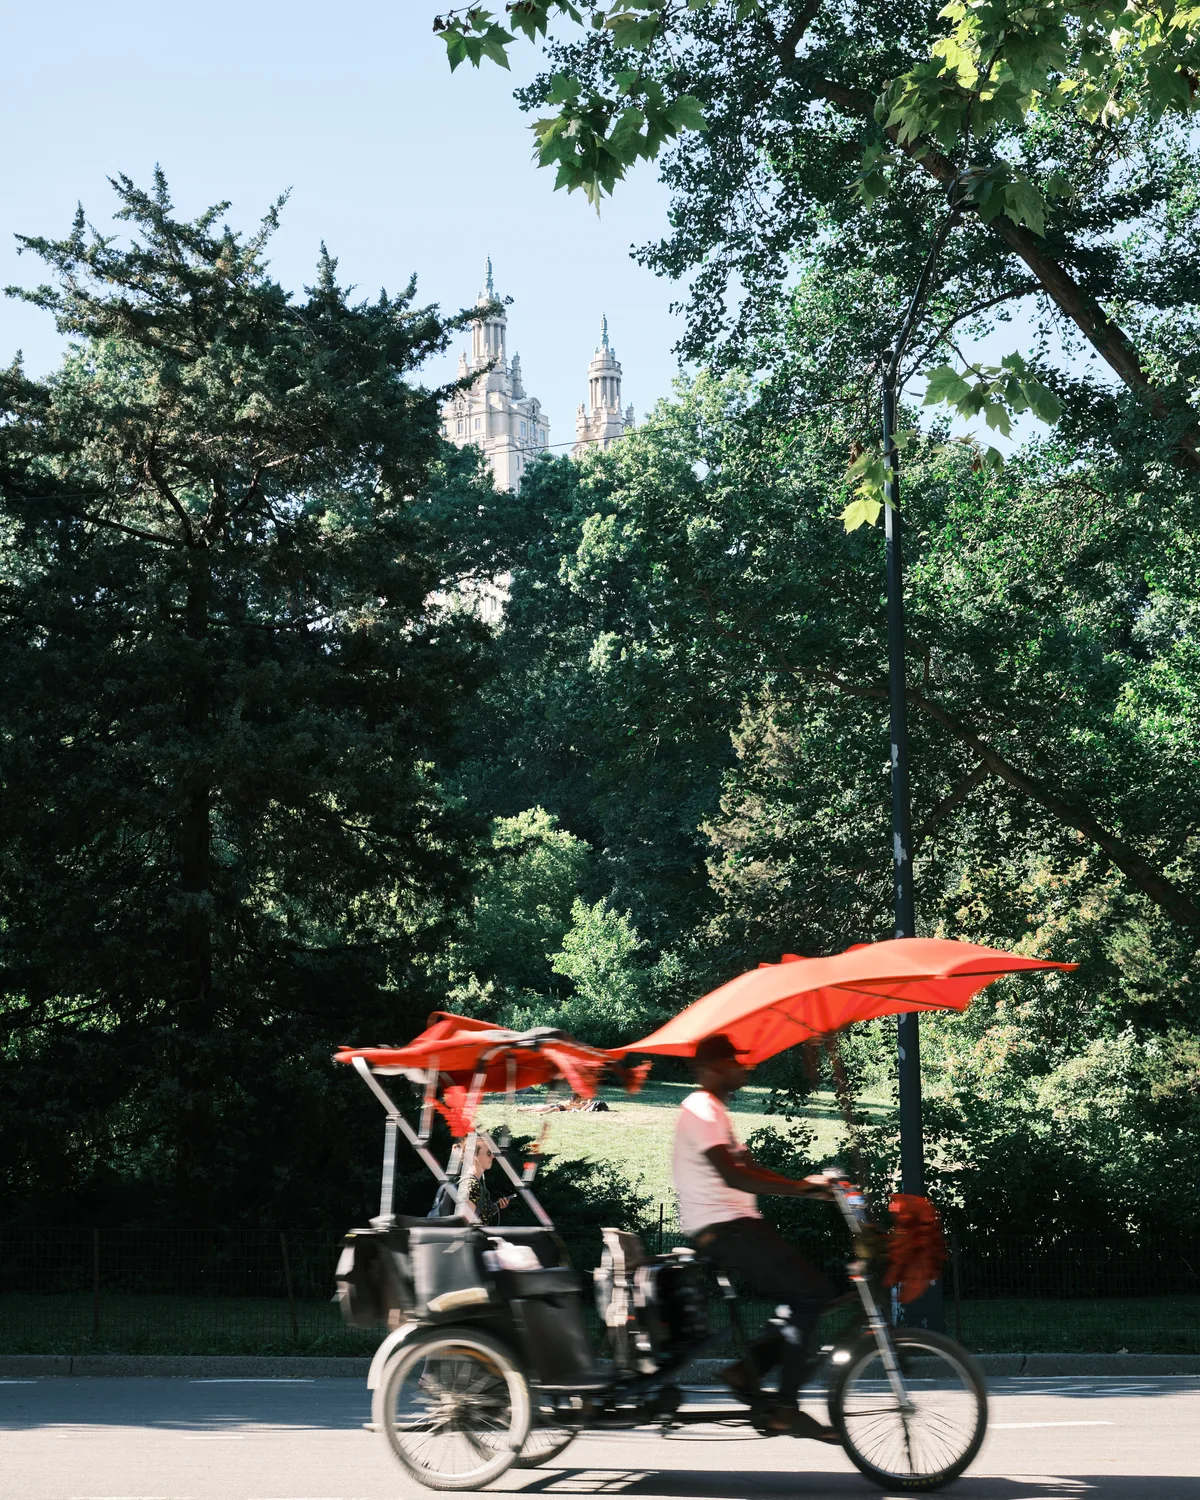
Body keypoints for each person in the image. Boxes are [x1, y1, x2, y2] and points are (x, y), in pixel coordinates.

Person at [672, 1033, 838, 1440]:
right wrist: (799, 1189)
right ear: (710, 1069)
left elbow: (751, 1168)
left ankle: (746, 1372)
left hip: (735, 1226)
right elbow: (734, 1176)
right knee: (811, 1295)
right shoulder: (700, 1108)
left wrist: (805, 1184)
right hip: (725, 1229)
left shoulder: (716, 1113)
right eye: (733, 1061)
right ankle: (784, 1409)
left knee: (808, 1295)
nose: (742, 1067)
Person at [432, 1137, 513, 1223]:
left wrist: (496, 1207)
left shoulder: (473, 1182)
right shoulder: (471, 1184)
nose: (493, 1156)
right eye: (489, 1153)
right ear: (473, 1156)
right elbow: (464, 1223)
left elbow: (478, 1216)